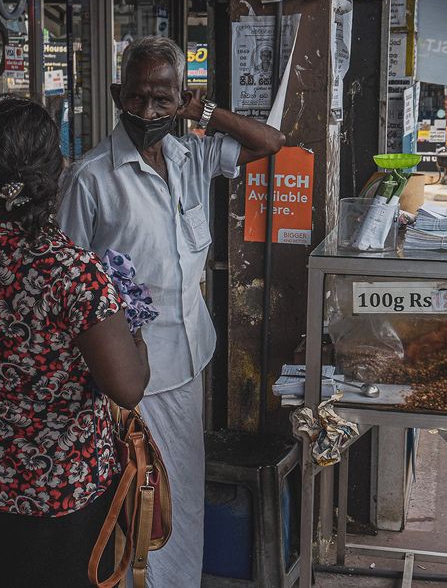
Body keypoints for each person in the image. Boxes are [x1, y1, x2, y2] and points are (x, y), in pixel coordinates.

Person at [58, 35, 285, 586]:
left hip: (189, 358)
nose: (149, 112)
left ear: (182, 98)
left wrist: (204, 111)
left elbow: (271, 142)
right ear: (117, 95)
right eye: (138, 98)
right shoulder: (92, 177)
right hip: (131, 375)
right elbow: (64, 280)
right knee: (141, 500)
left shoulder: (192, 155)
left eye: (164, 99)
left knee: (181, 489)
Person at [0, 97, 150, 587]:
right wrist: (135, 327)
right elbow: (128, 388)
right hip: (64, 493)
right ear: (57, 173)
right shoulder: (76, 276)